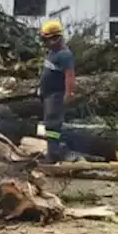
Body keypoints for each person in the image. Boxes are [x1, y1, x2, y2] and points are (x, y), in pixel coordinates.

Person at [38, 20, 76, 162]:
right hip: (48, 95)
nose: (46, 43)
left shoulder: (64, 55)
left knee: (53, 124)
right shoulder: (53, 53)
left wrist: (69, 93)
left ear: (56, 38)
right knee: (49, 124)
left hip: (56, 95)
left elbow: (70, 75)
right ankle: (54, 151)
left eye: (48, 39)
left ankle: (54, 154)